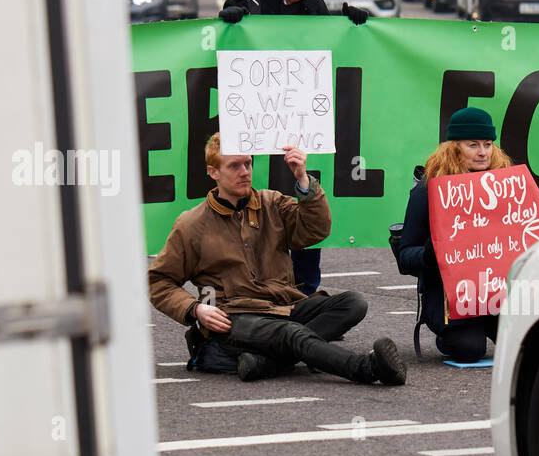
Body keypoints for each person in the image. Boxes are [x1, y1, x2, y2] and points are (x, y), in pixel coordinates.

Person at [149, 132, 407, 386]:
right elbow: (159, 281)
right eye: (234, 166)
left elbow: (314, 231)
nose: (245, 172)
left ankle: (267, 363)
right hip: (235, 316)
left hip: (282, 306)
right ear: (213, 172)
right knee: (292, 334)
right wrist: (196, 309)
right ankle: (367, 368)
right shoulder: (192, 224)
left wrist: (303, 181)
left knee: (353, 303)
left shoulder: (271, 202)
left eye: (248, 163)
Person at [219, 0, 371, 297]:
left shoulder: (315, 7)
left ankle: (305, 289)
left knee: (304, 207)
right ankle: (258, 290)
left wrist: (347, 26)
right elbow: (222, 44)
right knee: (257, 214)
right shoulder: (249, 7)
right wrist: (228, 25)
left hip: (301, 135)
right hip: (258, 137)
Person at [397, 108, 509, 363]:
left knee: (535, 340)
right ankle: (446, 334)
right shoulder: (427, 190)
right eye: (473, 145)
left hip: (496, 292)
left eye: (488, 144)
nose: (483, 152)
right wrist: (431, 251)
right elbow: (405, 256)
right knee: (469, 349)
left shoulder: (505, 186)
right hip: (450, 297)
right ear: (454, 148)